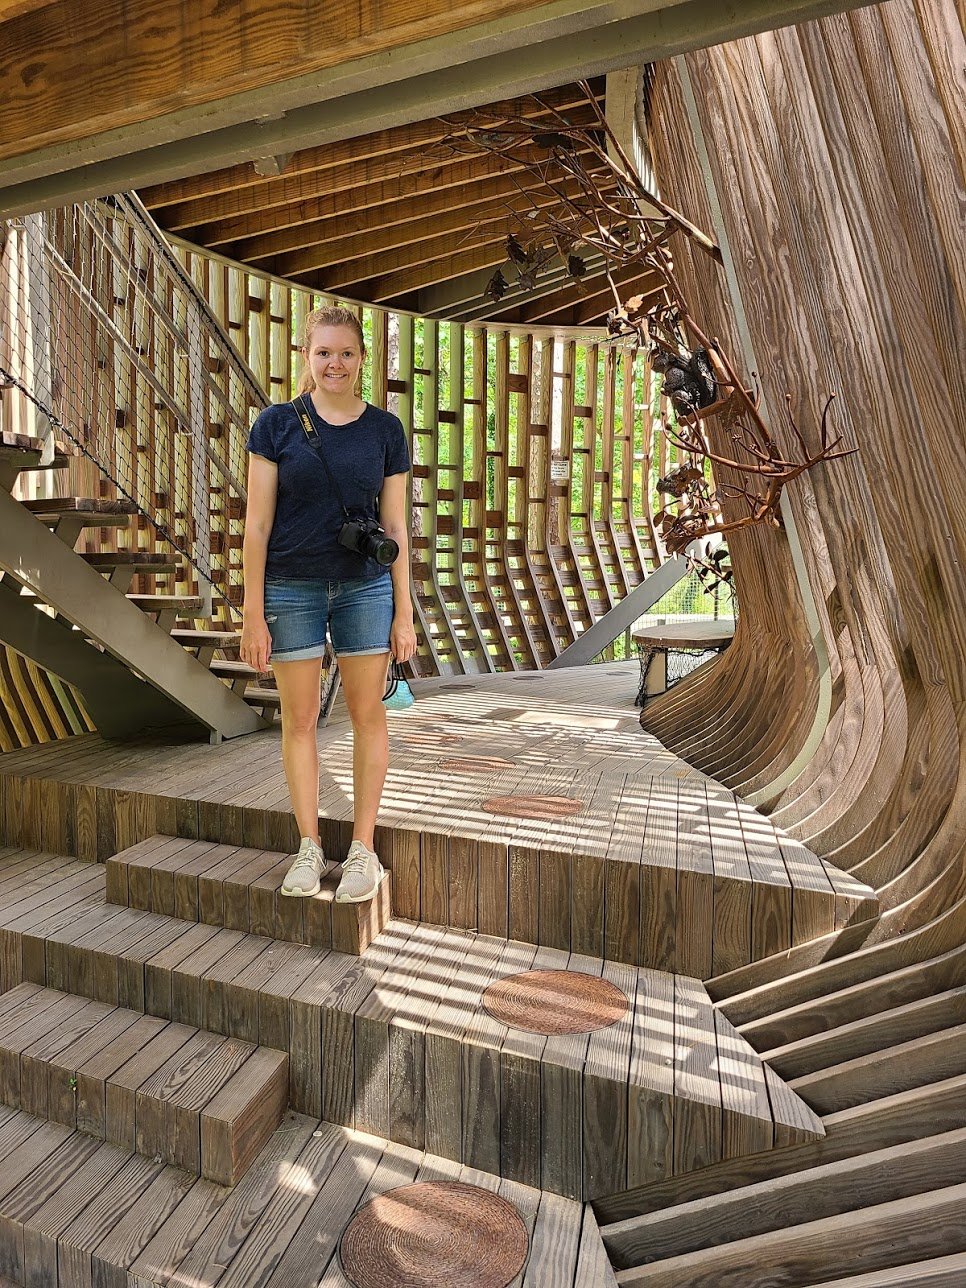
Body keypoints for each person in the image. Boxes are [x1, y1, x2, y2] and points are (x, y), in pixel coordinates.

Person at [240, 305, 416, 904]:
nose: (334, 363)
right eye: (323, 353)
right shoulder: (275, 426)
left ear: (362, 358)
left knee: (369, 717)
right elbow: (256, 527)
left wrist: (404, 610)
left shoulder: (385, 431)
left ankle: (362, 849)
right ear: (306, 358)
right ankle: (309, 847)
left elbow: (395, 526)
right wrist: (252, 612)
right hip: (290, 587)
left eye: (345, 352)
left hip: (365, 586)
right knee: (301, 722)